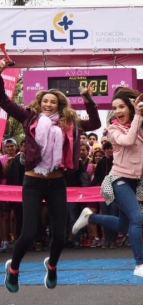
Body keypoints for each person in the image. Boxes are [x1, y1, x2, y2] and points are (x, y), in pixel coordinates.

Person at [1, 58, 101, 292]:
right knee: (29, 233)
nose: (48, 104)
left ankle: (52, 266)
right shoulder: (29, 119)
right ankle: (13, 269)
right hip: (33, 182)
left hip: (57, 183)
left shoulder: (70, 123)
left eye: (52, 102)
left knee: (59, 234)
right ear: (39, 103)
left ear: (59, 105)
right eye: (45, 101)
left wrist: (88, 99)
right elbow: (3, 101)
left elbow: (95, 123)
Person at [72, 87, 143, 279]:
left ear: (131, 106)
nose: (117, 111)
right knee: (137, 218)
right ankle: (140, 263)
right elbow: (128, 141)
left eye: (121, 106)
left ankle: (90, 218)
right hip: (118, 179)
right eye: (114, 108)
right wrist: (138, 116)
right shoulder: (113, 129)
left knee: (124, 225)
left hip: (135, 181)